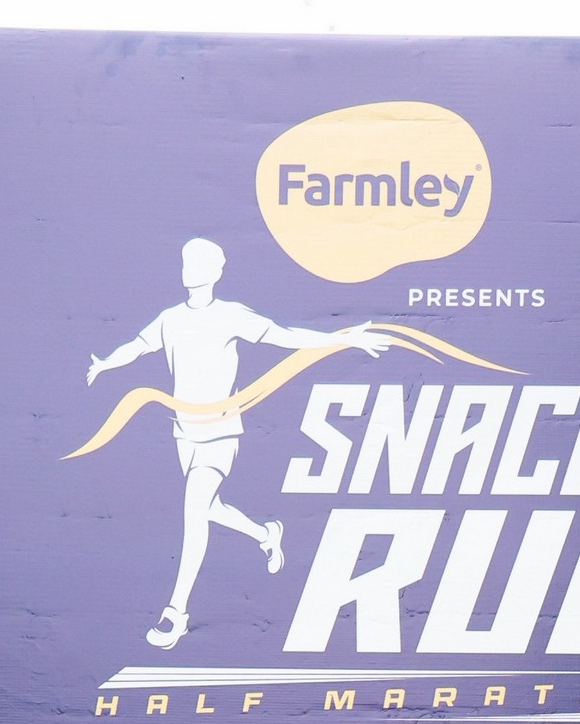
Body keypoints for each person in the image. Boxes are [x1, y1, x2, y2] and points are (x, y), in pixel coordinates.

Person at [86, 240, 388, 650]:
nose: (189, 268)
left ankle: (176, 613)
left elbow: (286, 337)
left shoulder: (231, 316)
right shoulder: (170, 319)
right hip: (184, 432)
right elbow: (137, 347)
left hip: (221, 431)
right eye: (186, 261)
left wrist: (344, 340)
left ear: (216, 272)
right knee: (210, 508)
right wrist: (106, 362)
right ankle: (266, 533)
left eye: (198, 262)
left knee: (194, 512)